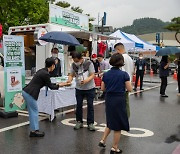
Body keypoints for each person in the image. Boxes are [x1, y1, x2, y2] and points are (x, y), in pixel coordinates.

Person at [98, 53, 132, 153]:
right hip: (119, 99)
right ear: (121, 62)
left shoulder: (106, 74)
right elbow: (129, 89)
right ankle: (114, 147)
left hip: (109, 99)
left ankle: (103, 140)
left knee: (110, 121)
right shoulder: (124, 74)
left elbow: (102, 88)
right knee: (118, 125)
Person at [22, 57, 63, 137]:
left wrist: (58, 84)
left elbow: (48, 84)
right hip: (31, 93)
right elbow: (51, 86)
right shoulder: (45, 74)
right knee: (34, 111)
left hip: (27, 91)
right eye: (54, 65)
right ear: (52, 66)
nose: (55, 67)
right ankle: (34, 131)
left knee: (32, 111)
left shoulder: (42, 71)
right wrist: (61, 85)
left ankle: (33, 129)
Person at [65, 52, 96, 131]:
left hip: (90, 88)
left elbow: (92, 75)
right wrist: (69, 80)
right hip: (79, 88)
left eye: (77, 60)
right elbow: (71, 74)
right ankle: (79, 121)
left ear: (81, 59)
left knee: (90, 105)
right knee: (78, 105)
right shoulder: (73, 65)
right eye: (74, 61)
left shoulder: (89, 63)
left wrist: (86, 80)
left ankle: (90, 123)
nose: (76, 62)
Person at [114, 43, 134, 118]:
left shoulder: (121, 58)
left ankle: (123, 120)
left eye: (115, 51)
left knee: (121, 104)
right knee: (126, 102)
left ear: (118, 49)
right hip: (128, 83)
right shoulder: (130, 58)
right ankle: (126, 119)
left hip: (122, 85)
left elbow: (120, 71)